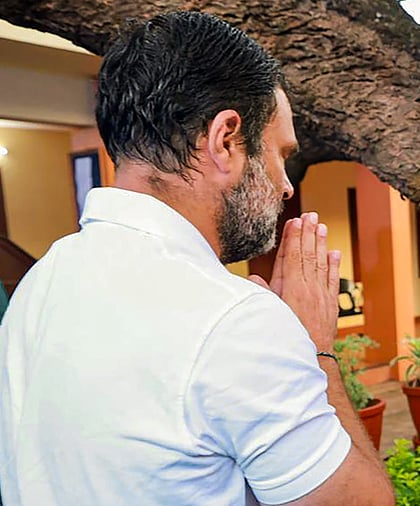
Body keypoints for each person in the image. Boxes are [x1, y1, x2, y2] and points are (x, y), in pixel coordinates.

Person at [0, 12, 394, 505]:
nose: (286, 184)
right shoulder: (232, 320)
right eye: (280, 154)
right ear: (225, 141)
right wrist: (316, 350)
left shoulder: (42, 281)